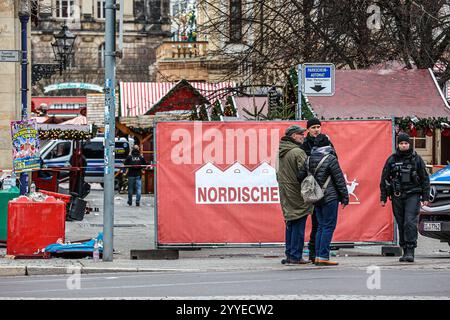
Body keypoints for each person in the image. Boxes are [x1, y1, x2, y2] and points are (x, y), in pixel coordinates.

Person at [298, 134, 349, 266]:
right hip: (330, 197)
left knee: (320, 226)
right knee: (328, 227)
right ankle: (323, 256)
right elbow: (339, 180)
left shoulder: (309, 159)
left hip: (316, 197)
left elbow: (300, 176)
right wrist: (345, 197)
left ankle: (318, 256)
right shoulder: (331, 158)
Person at [380, 132, 430, 263]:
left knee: (410, 222)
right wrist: (383, 197)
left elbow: (425, 178)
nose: (404, 145)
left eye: (406, 143)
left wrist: (425, 196)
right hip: (397, 195)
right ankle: (404, 249)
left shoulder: (416, 159)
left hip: (413, 194)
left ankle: (410, 250)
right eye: (401, 143)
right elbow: (384, 178)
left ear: (409, 144)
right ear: (398, 144)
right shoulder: (392, 159)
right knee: (401, 223)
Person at [301, 118, 336, 263]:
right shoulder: (305, 145)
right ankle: (315, 253)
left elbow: (335, 163)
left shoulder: (327, 143)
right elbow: (302, 170)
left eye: (318, 127)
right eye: (313, 127)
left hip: (325, 190)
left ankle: (317, 254)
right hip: (312, 189)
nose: (316, 129)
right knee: (318, 223)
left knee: (320, 223)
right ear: (308, 129)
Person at [276, 125, 312, 265]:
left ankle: (290, 254)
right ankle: (296, 256)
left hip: (285, 191)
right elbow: (306, 174)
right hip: (297, 192)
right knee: (299, 223)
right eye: (300, 134)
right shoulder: (297, 152)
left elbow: (277, 173)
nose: (303, 136)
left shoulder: (281, 151)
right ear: (293, 136)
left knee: (290, 223)